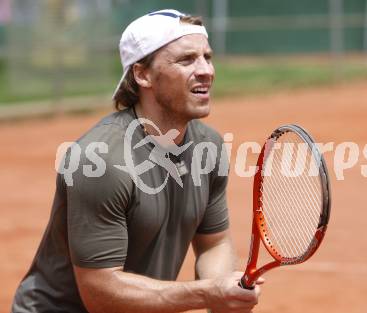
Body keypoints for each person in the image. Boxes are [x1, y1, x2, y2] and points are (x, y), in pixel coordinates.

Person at [12, 8, 263, 313]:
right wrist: (208, 293)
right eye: (186, 60)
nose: (206, 70)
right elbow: (101, 293)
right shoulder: (101, 160)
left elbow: (214, 243)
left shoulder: (207, 147)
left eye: (207, 57)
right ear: (142, 74)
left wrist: (225, 295)